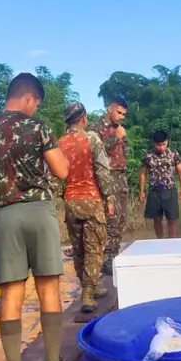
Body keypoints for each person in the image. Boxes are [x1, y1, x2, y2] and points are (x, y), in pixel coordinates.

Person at [0, 72, 70, 361]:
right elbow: (61, 170)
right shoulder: (38, 128)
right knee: (48, 289)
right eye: (36, 103)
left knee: (11, 292)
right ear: (29, 97)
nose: (35, 109)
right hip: (39, 212)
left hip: (6, 217)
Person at [59, 102, 115, 313]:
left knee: (79, 248)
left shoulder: (60, 142)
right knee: (94, 247)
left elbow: (55, 176)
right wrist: (108, 197)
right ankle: (88, 295)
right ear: (83, 118)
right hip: (91, 200)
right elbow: (102, 170)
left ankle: (88, 287)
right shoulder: (91, 138)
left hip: (71, 202)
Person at [90, 98, 128, 275]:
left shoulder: (118, 129)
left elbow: (123, 153)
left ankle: (114, 255)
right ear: (109, 108)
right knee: (110, 218)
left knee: (121, 219)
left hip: (120, 177)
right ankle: (106, 259)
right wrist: (115, 138)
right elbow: (95, 153)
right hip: (107, 176)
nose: (121, 117)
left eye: (123, 114)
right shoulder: (96, 128)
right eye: (118, 112)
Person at [139, 130, 181, 239]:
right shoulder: (147, 156)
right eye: (158, 145)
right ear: (153, 143)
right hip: (154, 191)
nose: (161, 147)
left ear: (167, 142)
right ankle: (159, 241)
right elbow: (143, 174)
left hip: (170, 190)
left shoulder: (173, 153)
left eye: (163, 144)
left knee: (172, 219)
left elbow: (180, 171)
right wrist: (141, 192)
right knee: (157, 219)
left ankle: (173, 242)